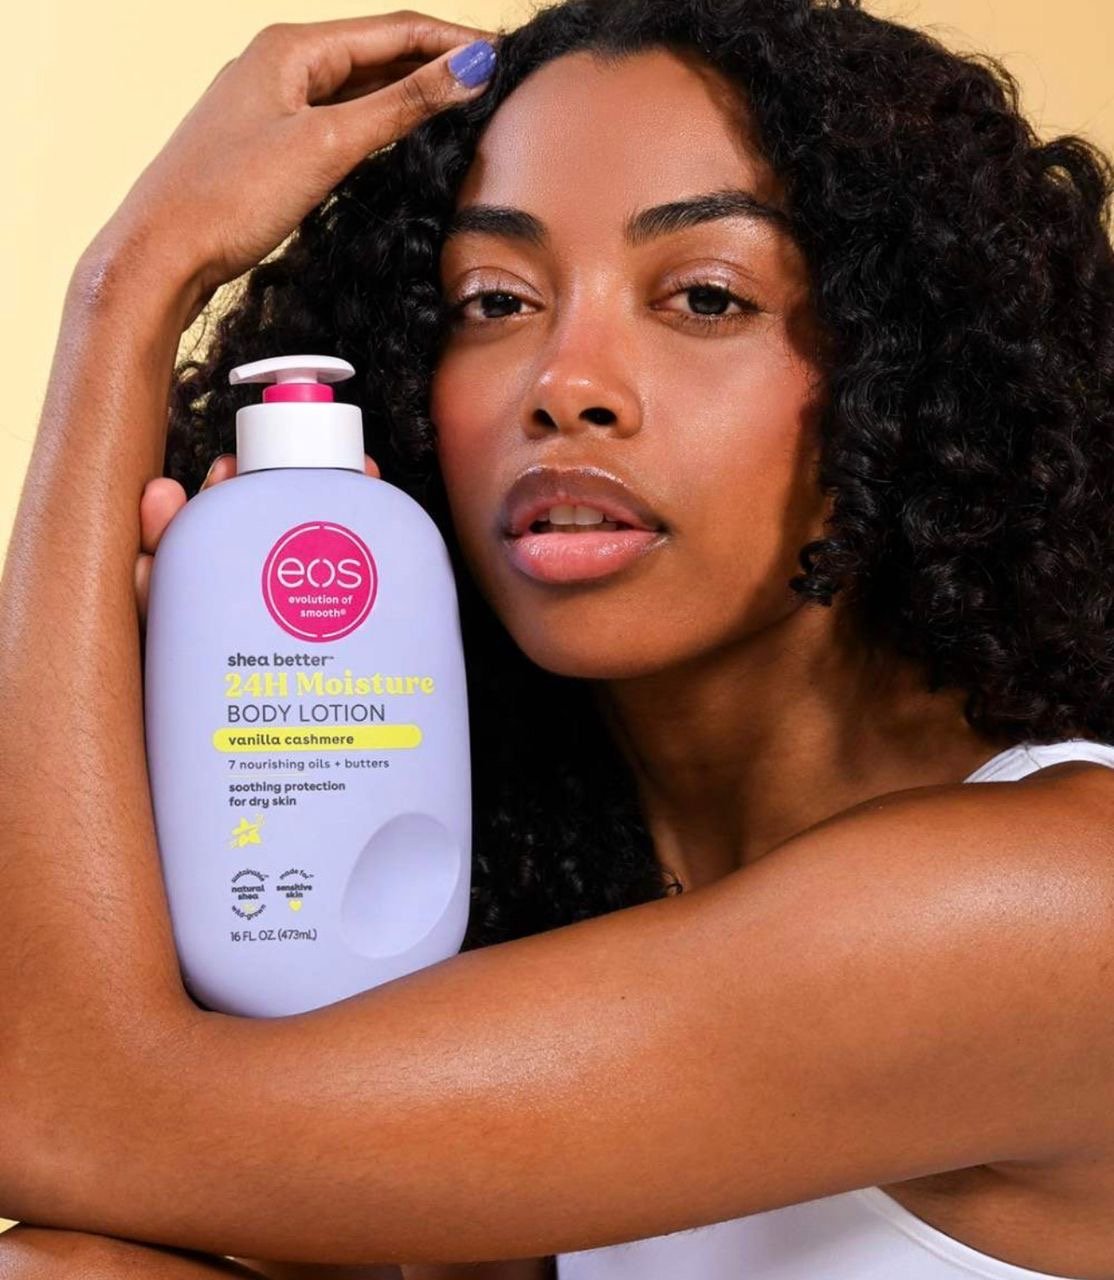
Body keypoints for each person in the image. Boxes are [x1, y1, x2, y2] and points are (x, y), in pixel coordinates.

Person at [1, 0, 1113, 1277]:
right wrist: (214, 747)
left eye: (705, 295)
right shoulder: (572, 882)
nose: (565, 382)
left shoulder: (1048, 903)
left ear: (909, 372)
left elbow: (52, 1109)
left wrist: (131, 281)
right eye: (493, 299)